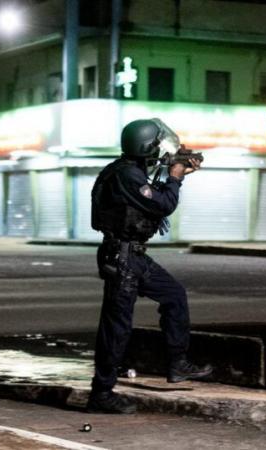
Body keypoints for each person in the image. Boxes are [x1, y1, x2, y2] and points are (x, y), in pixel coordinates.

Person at [86, 118, 213, 414]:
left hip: (134, 256)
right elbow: (162, 204)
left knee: (174, 296)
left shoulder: (131, 171)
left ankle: (177, 364)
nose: (161, 151)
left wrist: (177, 166)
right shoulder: (127, 176)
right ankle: (101, 394)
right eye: (157, 146)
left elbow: (151, 198)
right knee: (117, 327)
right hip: (123, 257)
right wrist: (176, 177)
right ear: (146, 146)